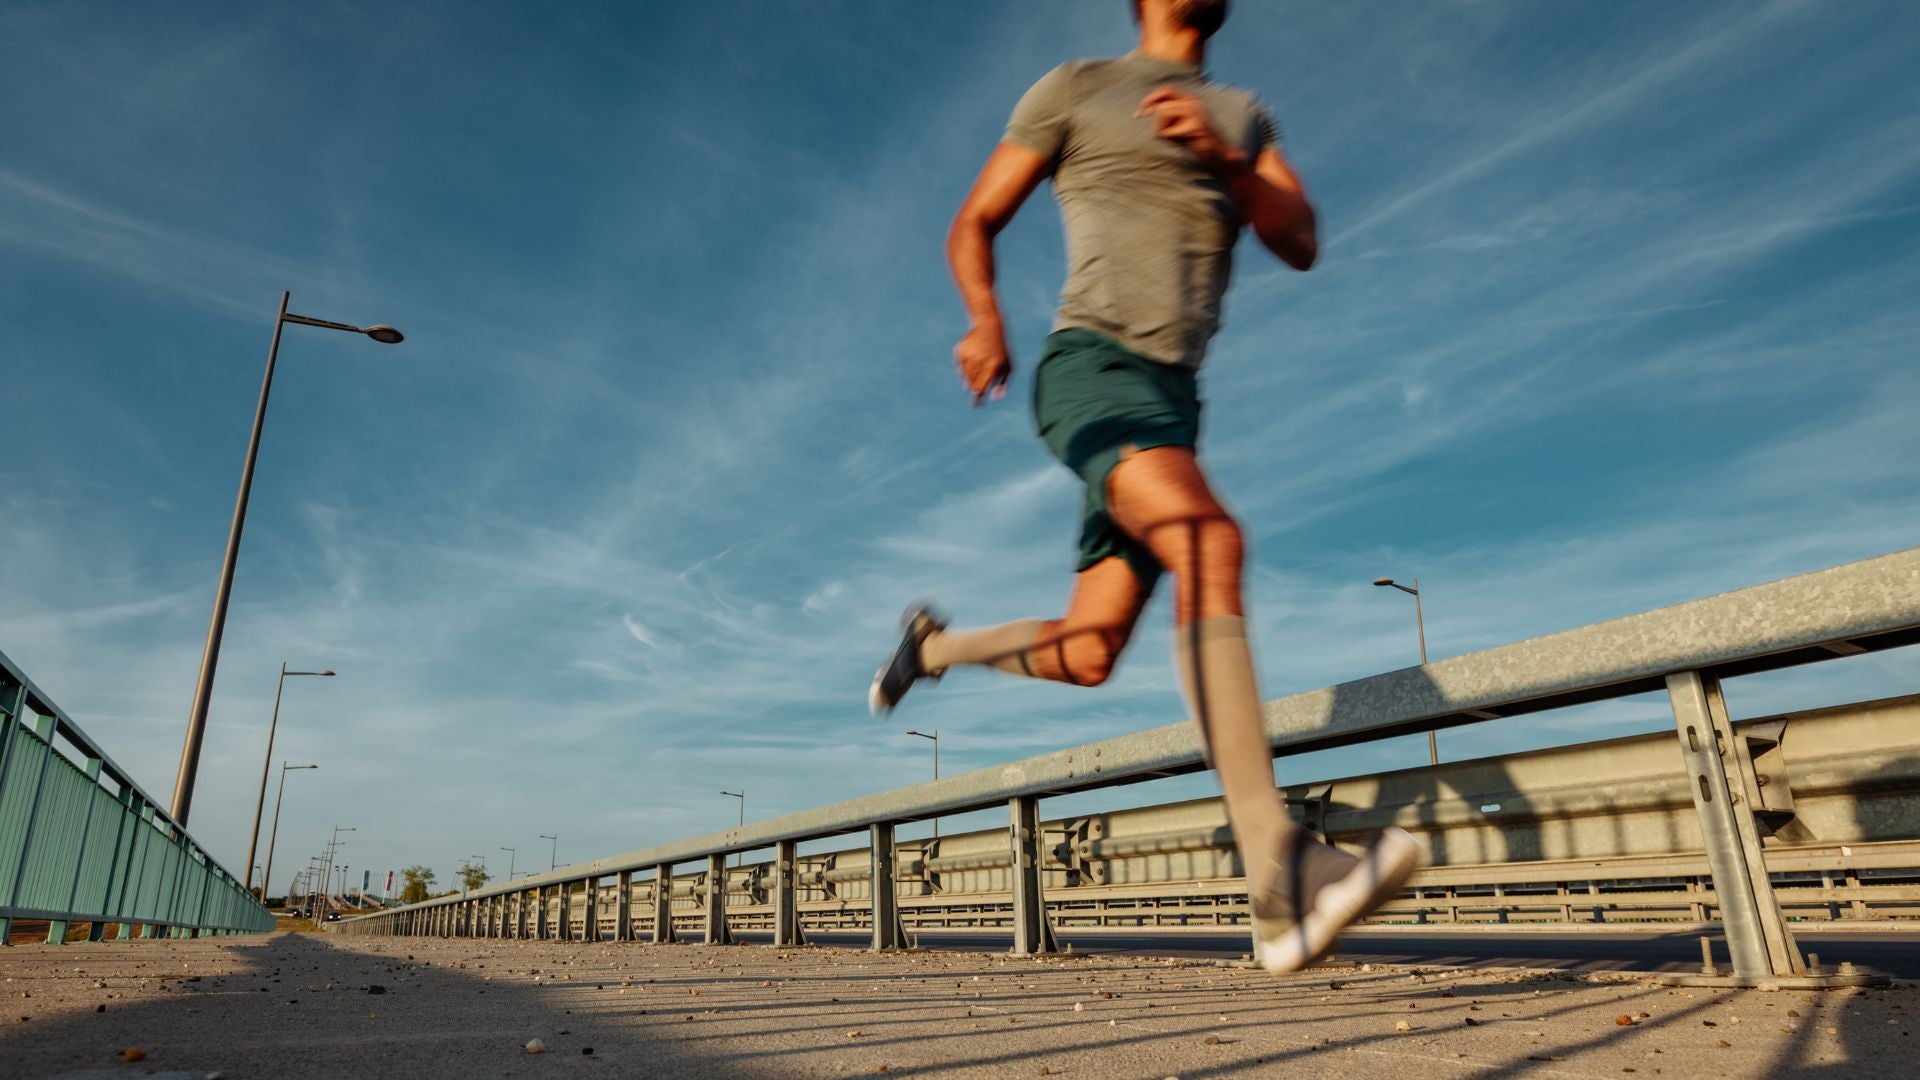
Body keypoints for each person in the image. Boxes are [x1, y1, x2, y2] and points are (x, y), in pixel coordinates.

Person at [869, 0, 1418, 974]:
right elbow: (976, 219)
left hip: (1175, 400)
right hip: (1091, 366)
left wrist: (1228, 158)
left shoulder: (1244, 114)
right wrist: (985, 319)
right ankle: (1277, 865)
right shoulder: (1078, 87)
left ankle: (934, 645)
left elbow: (1300, 238)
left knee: (1091, 653)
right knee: (1210, 538)